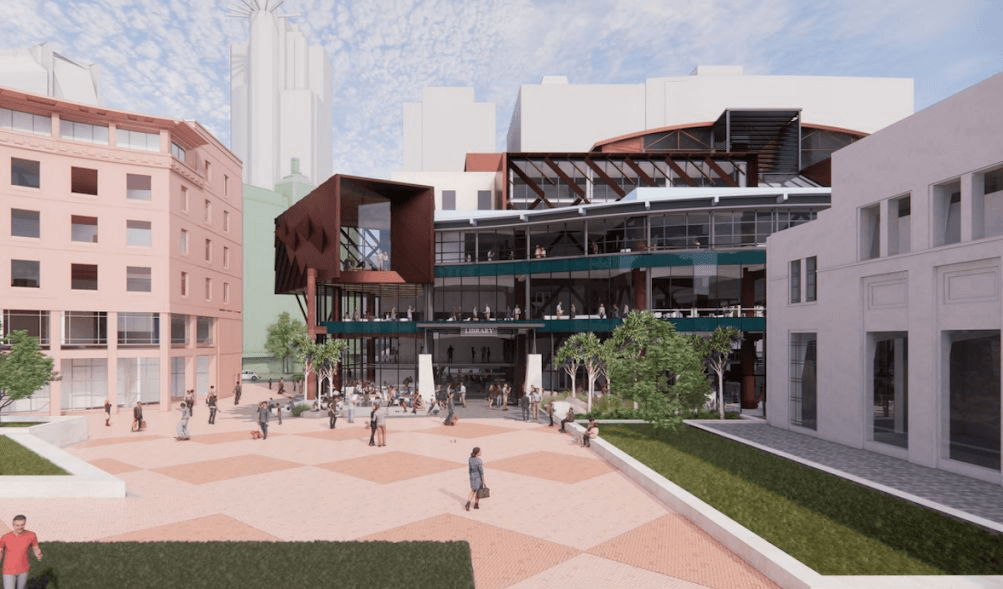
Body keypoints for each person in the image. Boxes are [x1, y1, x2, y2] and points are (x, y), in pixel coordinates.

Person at [0, 514, 43, 589]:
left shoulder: (31, 535)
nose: (20, 527)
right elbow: (0, 551)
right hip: (8, 570)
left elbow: (35, 547)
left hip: (24, 570)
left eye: (22, 525)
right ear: (13, 525)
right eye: (17, 525)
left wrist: (38, 554)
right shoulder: (5, 537)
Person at [465, 447, 485, 511]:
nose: (481, 452)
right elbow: (481, 471)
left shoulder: (470, 459)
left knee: (473, 490)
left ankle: (468, 502)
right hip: (477, 477)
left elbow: (469, 469)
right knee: (478, 491)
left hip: (472, 476)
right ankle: (476, 504)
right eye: (480, 451)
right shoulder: (479, 461)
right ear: (477, 452)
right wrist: (483, 479)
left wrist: (471, 475)